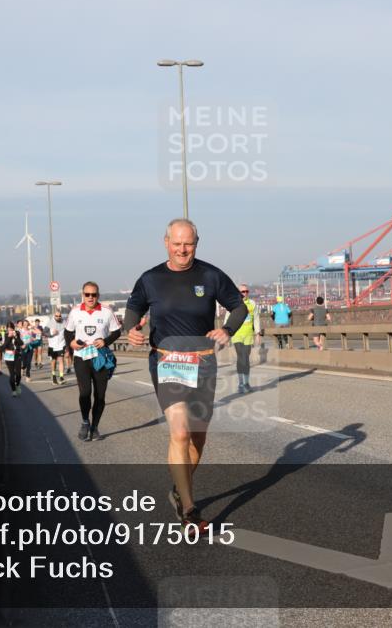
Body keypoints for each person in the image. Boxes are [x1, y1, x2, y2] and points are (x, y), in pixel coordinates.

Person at [123, 218, 248, 531]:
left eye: (188, 244)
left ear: (197, 242)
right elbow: (133, 309)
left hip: (203, 362)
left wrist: (227, 329)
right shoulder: (150, 278)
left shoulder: (210, 274)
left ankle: (180, 490)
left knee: (197, 437)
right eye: (176, 243)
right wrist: (132, 329)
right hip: (167, 361)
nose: (182, 249)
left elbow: (239, 307)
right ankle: (190, 511)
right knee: (179, 432)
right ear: (166, 242)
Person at [65, 282, 121, 441]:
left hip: (100, 358)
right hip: (81, 357)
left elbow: (116, 331)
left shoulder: (106, 311)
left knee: (100, 396)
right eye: (87, 294)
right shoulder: (75, 312)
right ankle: (85, 421)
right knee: (85, 393)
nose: (90, 298)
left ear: (98, 295)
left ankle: (94, 427)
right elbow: (68, 332)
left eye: (94, 294)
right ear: (83, 295)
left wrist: (106, 341)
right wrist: (71, 343)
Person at [228, 284, 261, 394]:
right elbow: (228, 318)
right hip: (237, 334)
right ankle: (241, 383)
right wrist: (226, 333)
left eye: (246, 291)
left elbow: (256, 318)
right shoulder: (233, 303)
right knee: (241, 356)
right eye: (243, 291)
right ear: (238, 292)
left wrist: (258, 333)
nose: (245, 293)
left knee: (246, 358)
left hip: (248, 335)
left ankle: (246, 382)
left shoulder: (252, 304)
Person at [45, 310, 68, 385]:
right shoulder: (50, 323)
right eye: (56, 316)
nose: (58, 317)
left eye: (59, 316)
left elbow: (68, 332)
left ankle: (61, 377)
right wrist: (52, 334)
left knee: (61, 360)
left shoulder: (64, 323)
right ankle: (54, 375)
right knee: (53, 361)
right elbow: (44, 333)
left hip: (61, 344)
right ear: (54, 316)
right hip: (52, 345)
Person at [1, 322, 24, 396]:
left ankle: (17, 385)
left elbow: (21, 343)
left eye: (11, 328)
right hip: (9, 355)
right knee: (11, 374)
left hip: (17, 355)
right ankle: (13, 390)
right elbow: (4, 346)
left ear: (13, 328)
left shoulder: (17, 333)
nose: (10, 330)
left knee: (18, 374)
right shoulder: (5, 334)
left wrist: (16, 337)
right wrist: (9, 337)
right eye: (8, 328)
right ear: (7, 329)